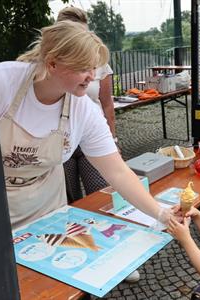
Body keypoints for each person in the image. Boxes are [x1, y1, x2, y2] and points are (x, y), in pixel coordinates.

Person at [0, 21, 173, 230]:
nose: (92, 76)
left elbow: (118, 172)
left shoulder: (84, 110)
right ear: (52, 64)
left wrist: (161, 214)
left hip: (46, 208)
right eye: (84, 68)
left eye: (94, 67)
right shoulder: (0, 82)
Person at [57, 7, 115, 200]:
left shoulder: (101, 64)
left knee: (101, 194)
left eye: (84, 34)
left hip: (90, 135)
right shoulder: (51, 67)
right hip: (58, 139)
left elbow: (107, 104)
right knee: (69, 198)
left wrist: (112, 140)